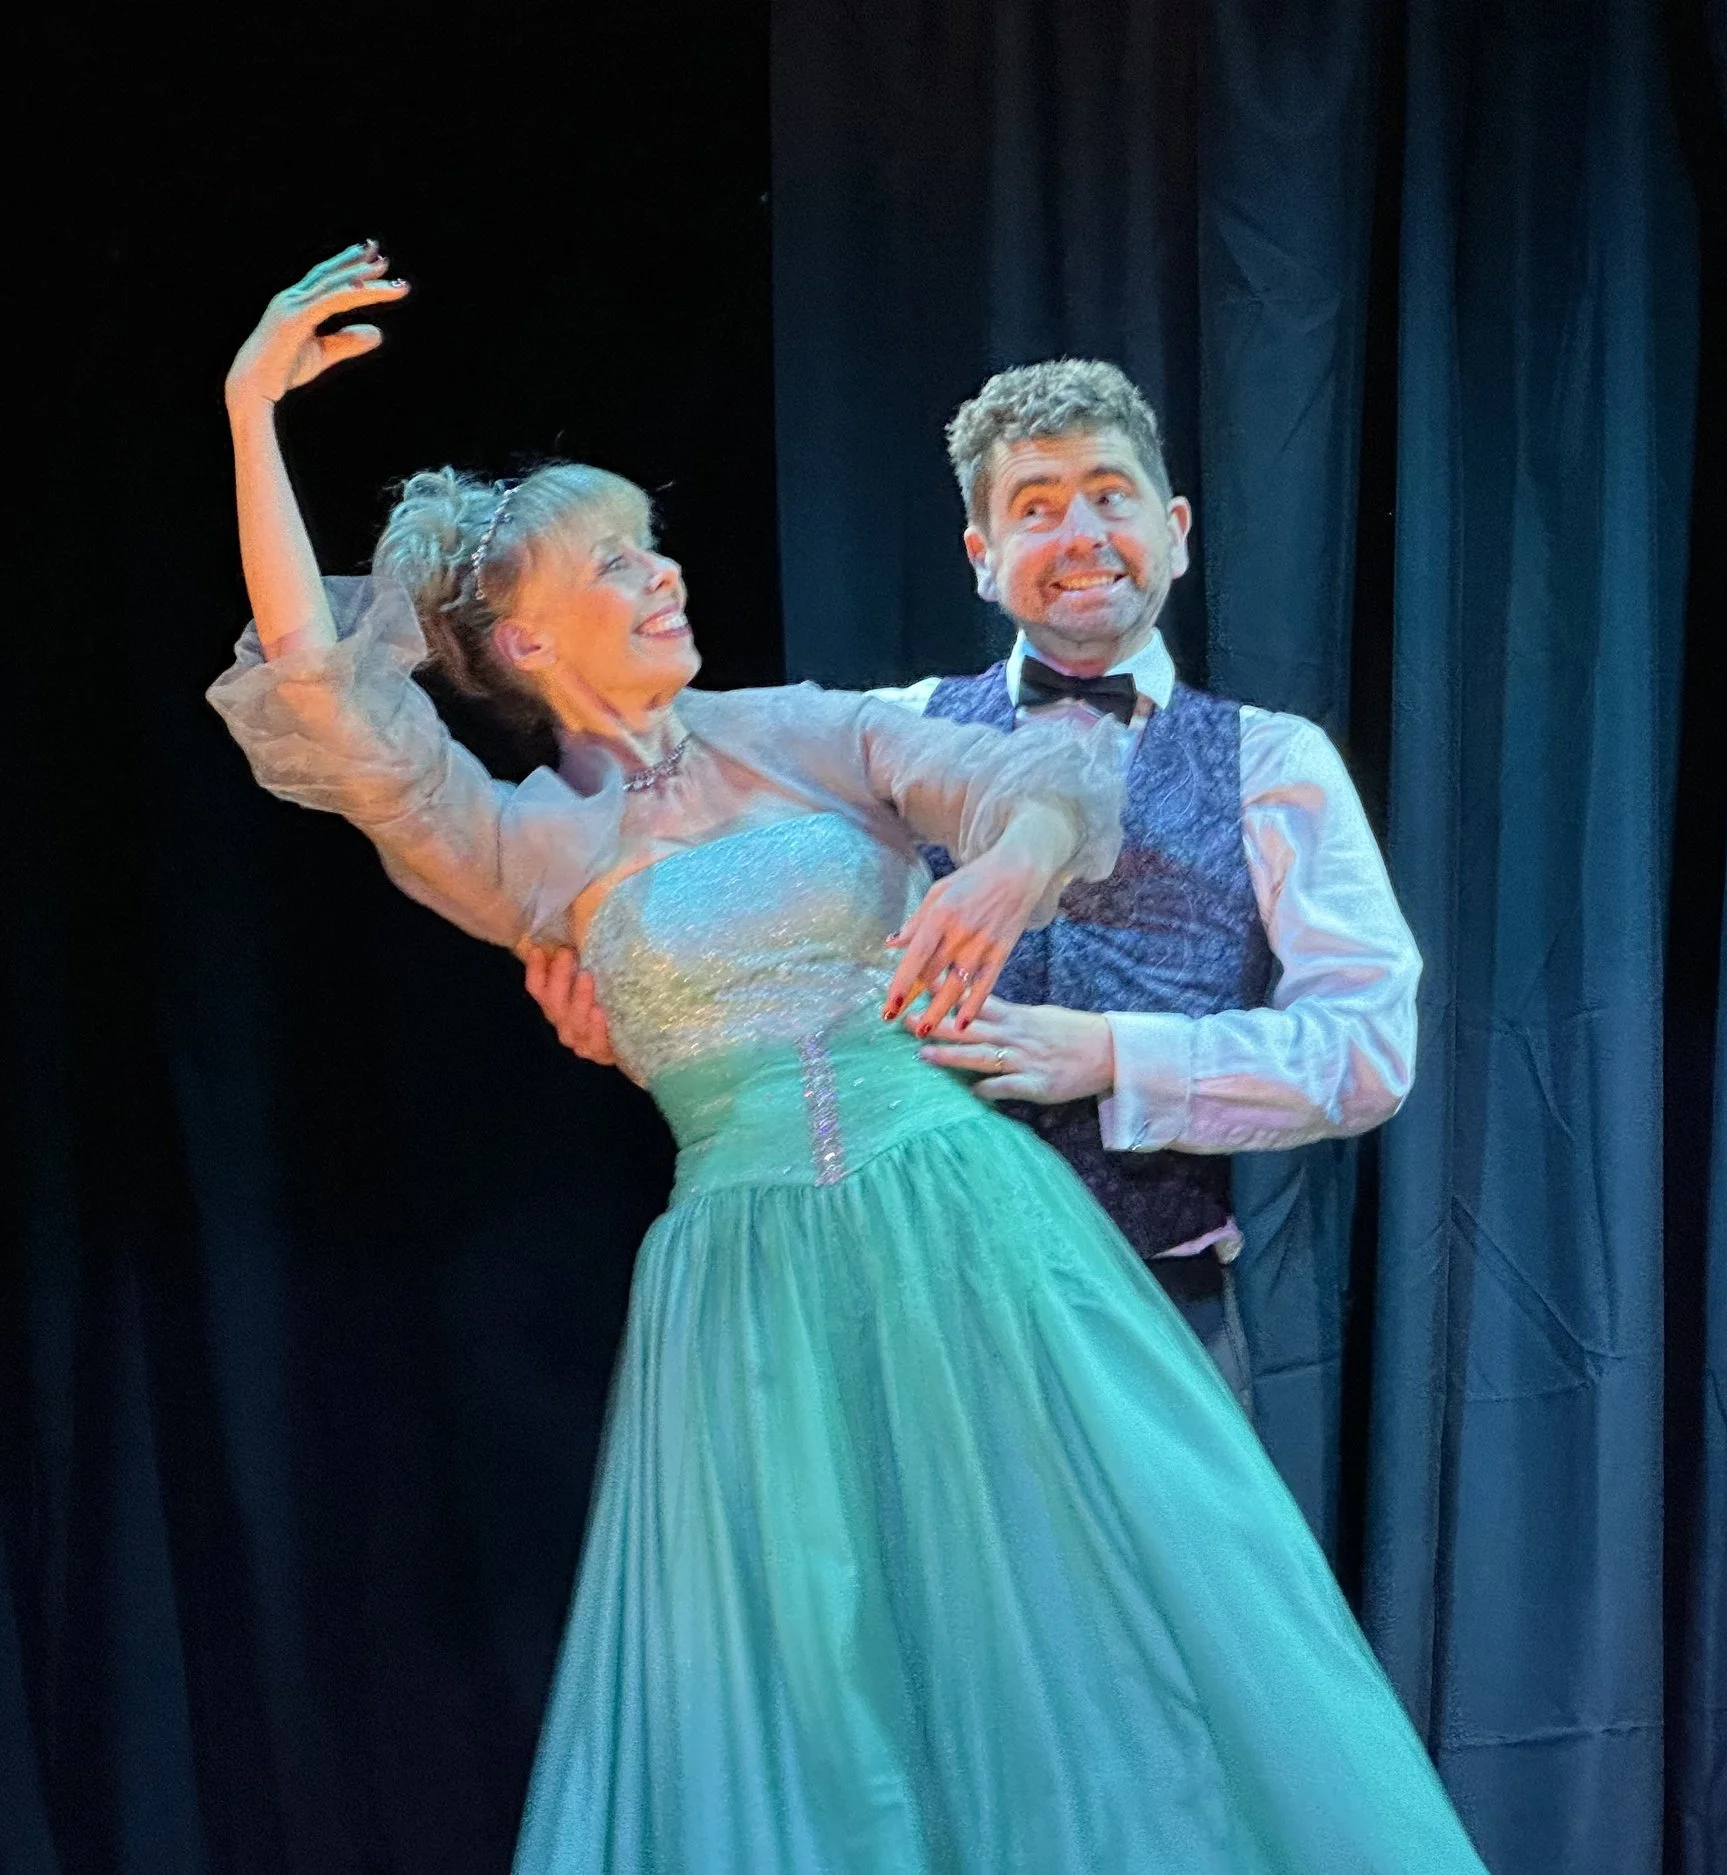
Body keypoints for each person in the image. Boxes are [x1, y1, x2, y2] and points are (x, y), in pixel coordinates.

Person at [211, 244, 1485, 1873]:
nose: (664, 572)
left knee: (1110, 1671)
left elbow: (1030, 782)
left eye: (654, 543)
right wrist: (249, 414)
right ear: (524, 645)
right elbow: (327, 698)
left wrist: (1016, 863)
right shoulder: (525, 847)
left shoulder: (811, 727)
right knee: (826, 1704)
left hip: (975, 1233)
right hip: (752, 1293)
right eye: (615, 561)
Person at [527, 359, 1422, 1407]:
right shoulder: (874, 738)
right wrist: (646, 1016)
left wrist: (1112, 1055)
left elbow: (1366, 1048)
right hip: (905, 1306)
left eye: (1110, 495)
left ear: (1175, 532)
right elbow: (738, 941)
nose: (1081, 535)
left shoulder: (1274, 762)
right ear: (981, 559)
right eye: (1035, 509)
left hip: (1149, 1311)